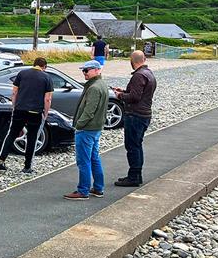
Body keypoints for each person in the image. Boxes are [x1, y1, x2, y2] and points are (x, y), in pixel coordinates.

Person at [0, 57, 53, 173]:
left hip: (20, 109)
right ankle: (27, 166)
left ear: (34, 64)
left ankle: (1, 160)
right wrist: (45, 113)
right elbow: (47, 99)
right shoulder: (47, 78)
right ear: (44, 67)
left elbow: (14, 92)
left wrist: (14, 107)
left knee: (12, 134)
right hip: (35, 111)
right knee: (32, 137)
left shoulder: (22, 73)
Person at [64, 60, 108, 200]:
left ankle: (83, 191)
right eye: (83, 70)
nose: (84, 73)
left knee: (83, 161)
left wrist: (79, 125)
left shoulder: (94, 88)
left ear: (96, 70)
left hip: (87, 129)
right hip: (95, 128)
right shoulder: (101, 84)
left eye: (87, 70)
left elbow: (89, 111)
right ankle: (98, 188)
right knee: (94, 158)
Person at [113, 50, 157, 187]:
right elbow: (139, 94)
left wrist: (120, 96)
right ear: (144, 59)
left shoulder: (138, 76)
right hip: (144, 114)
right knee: (137, 145)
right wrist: (125, 91)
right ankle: (136, 175)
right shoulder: (149, 74)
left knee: (132, 147)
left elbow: (135, 97)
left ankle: (133, 177)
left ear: (132, 61)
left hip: (135, 115)